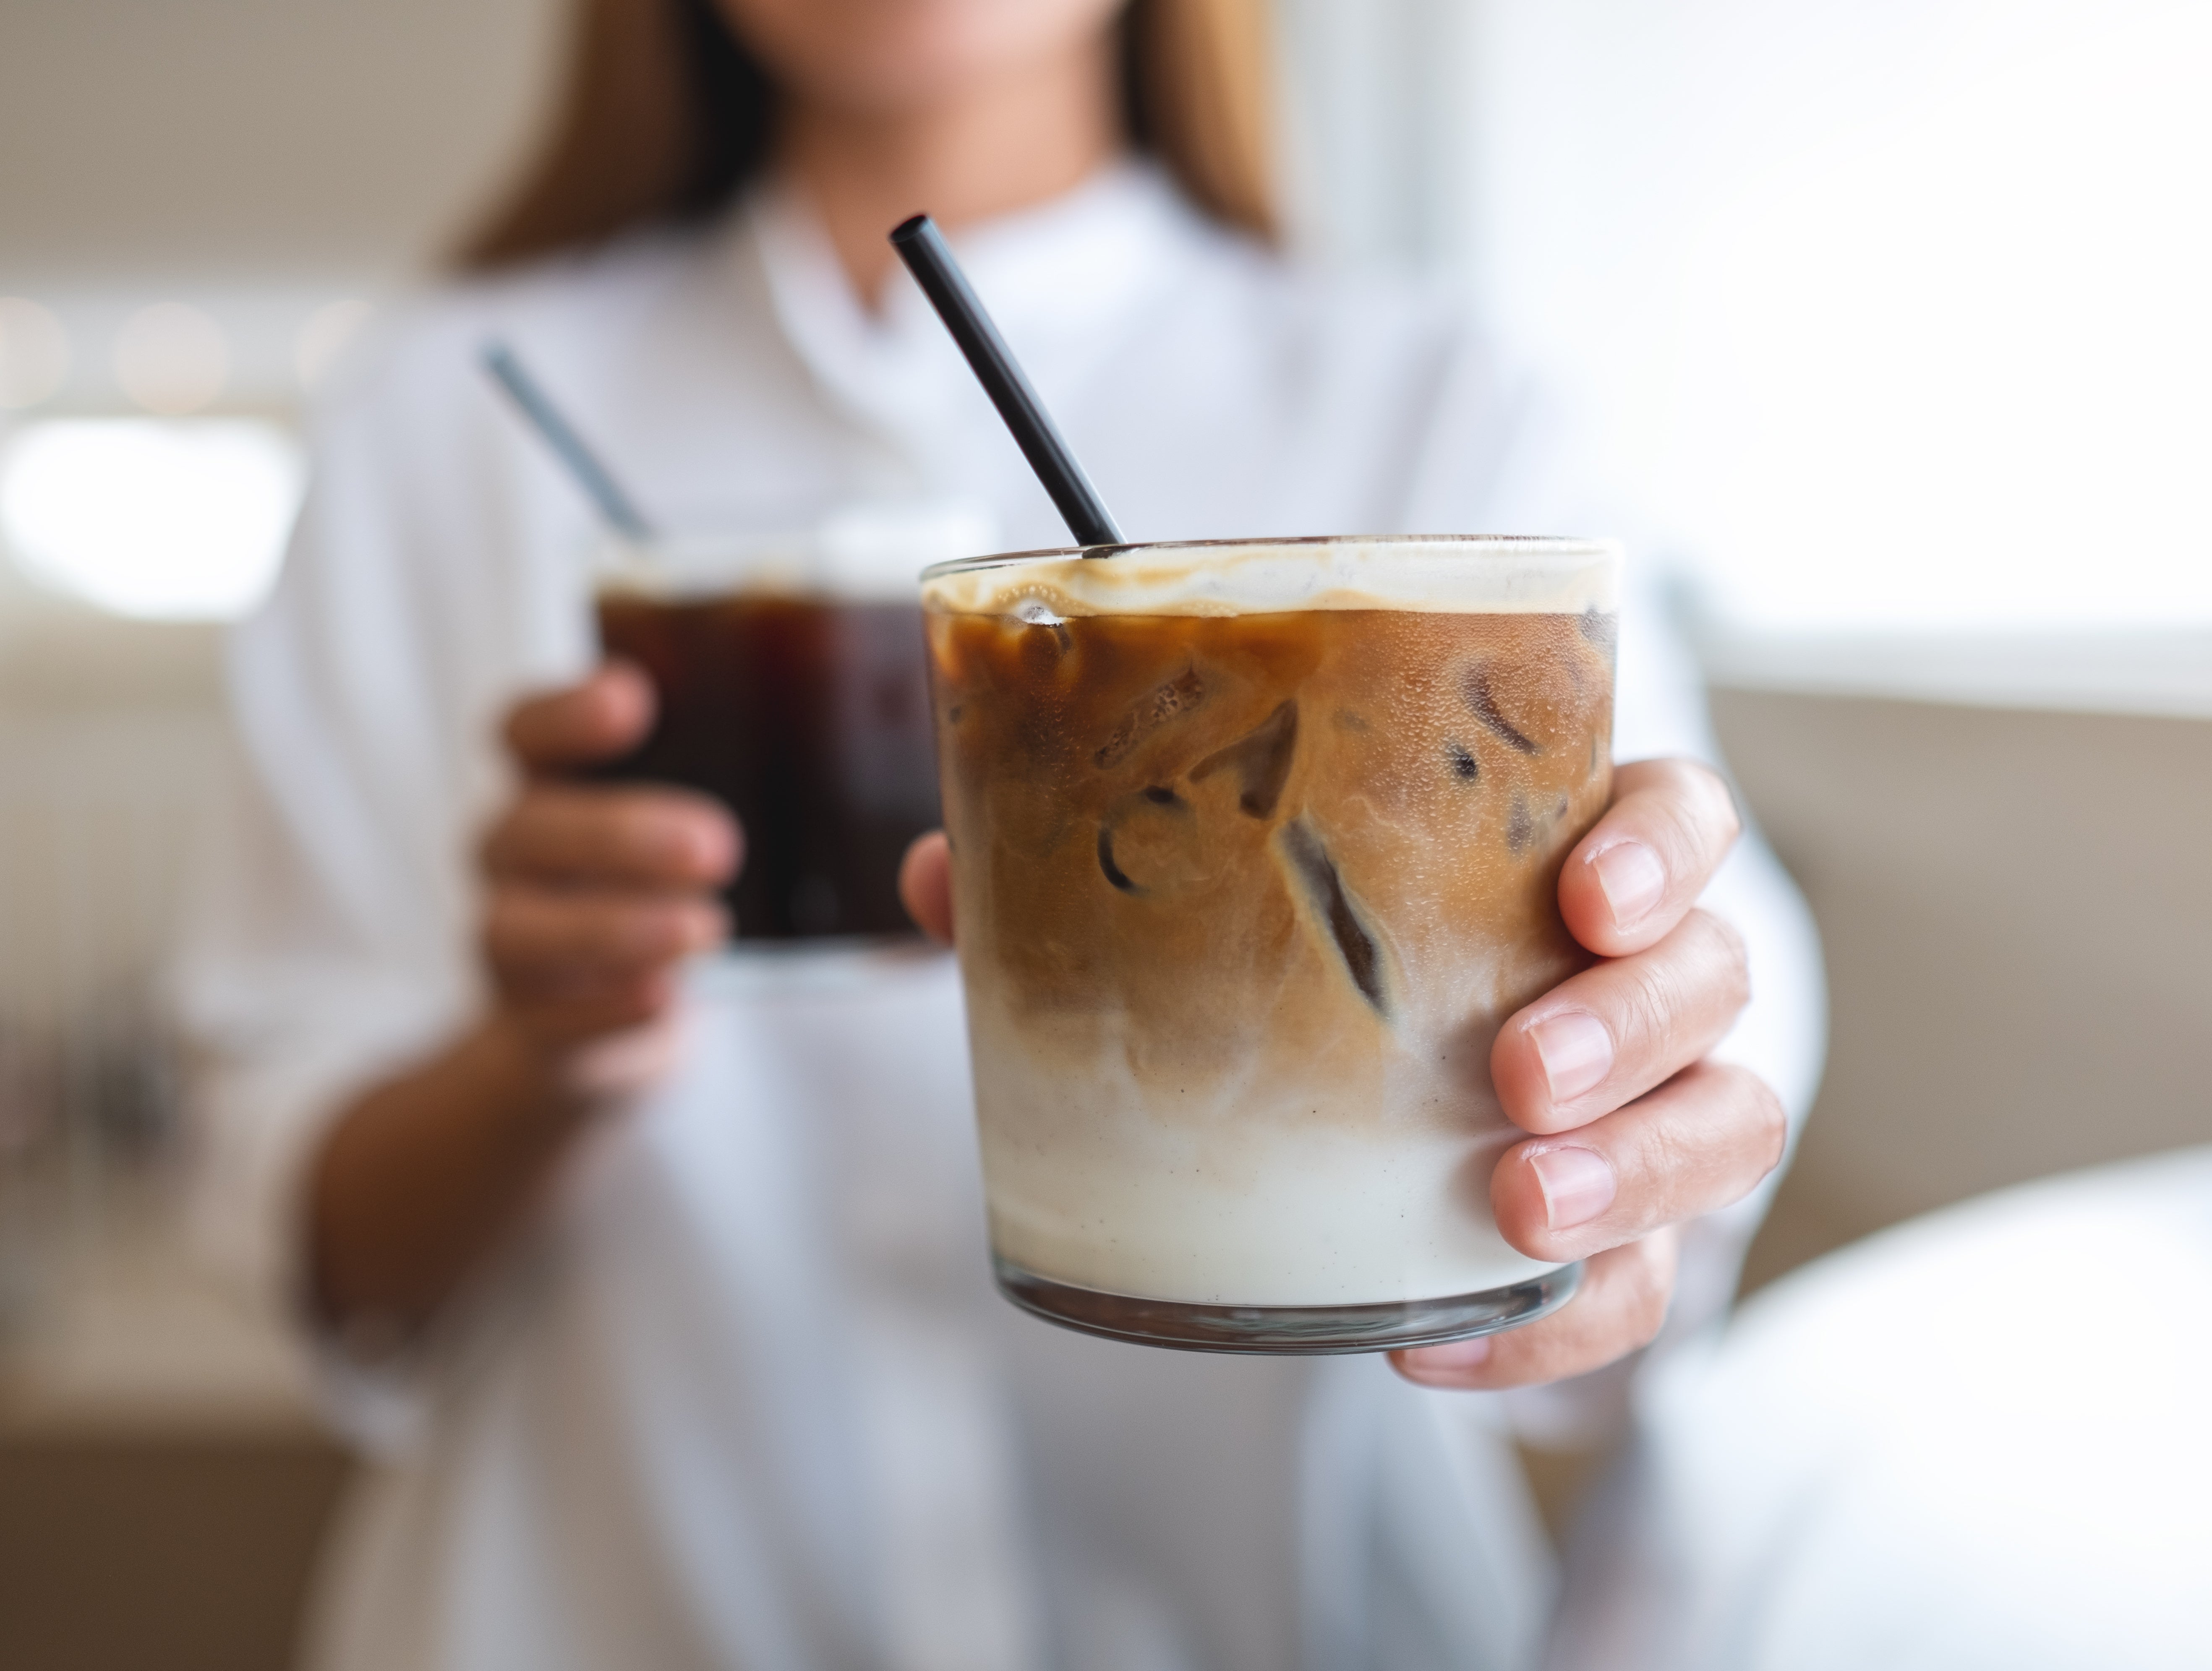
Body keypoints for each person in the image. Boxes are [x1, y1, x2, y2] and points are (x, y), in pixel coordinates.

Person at [172, 1, 1825, 1666]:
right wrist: (531, 1058)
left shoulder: (1448, 404)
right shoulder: (439, 416)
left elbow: (1680, 998)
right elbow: (300, 1224)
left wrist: (1633, 1107)